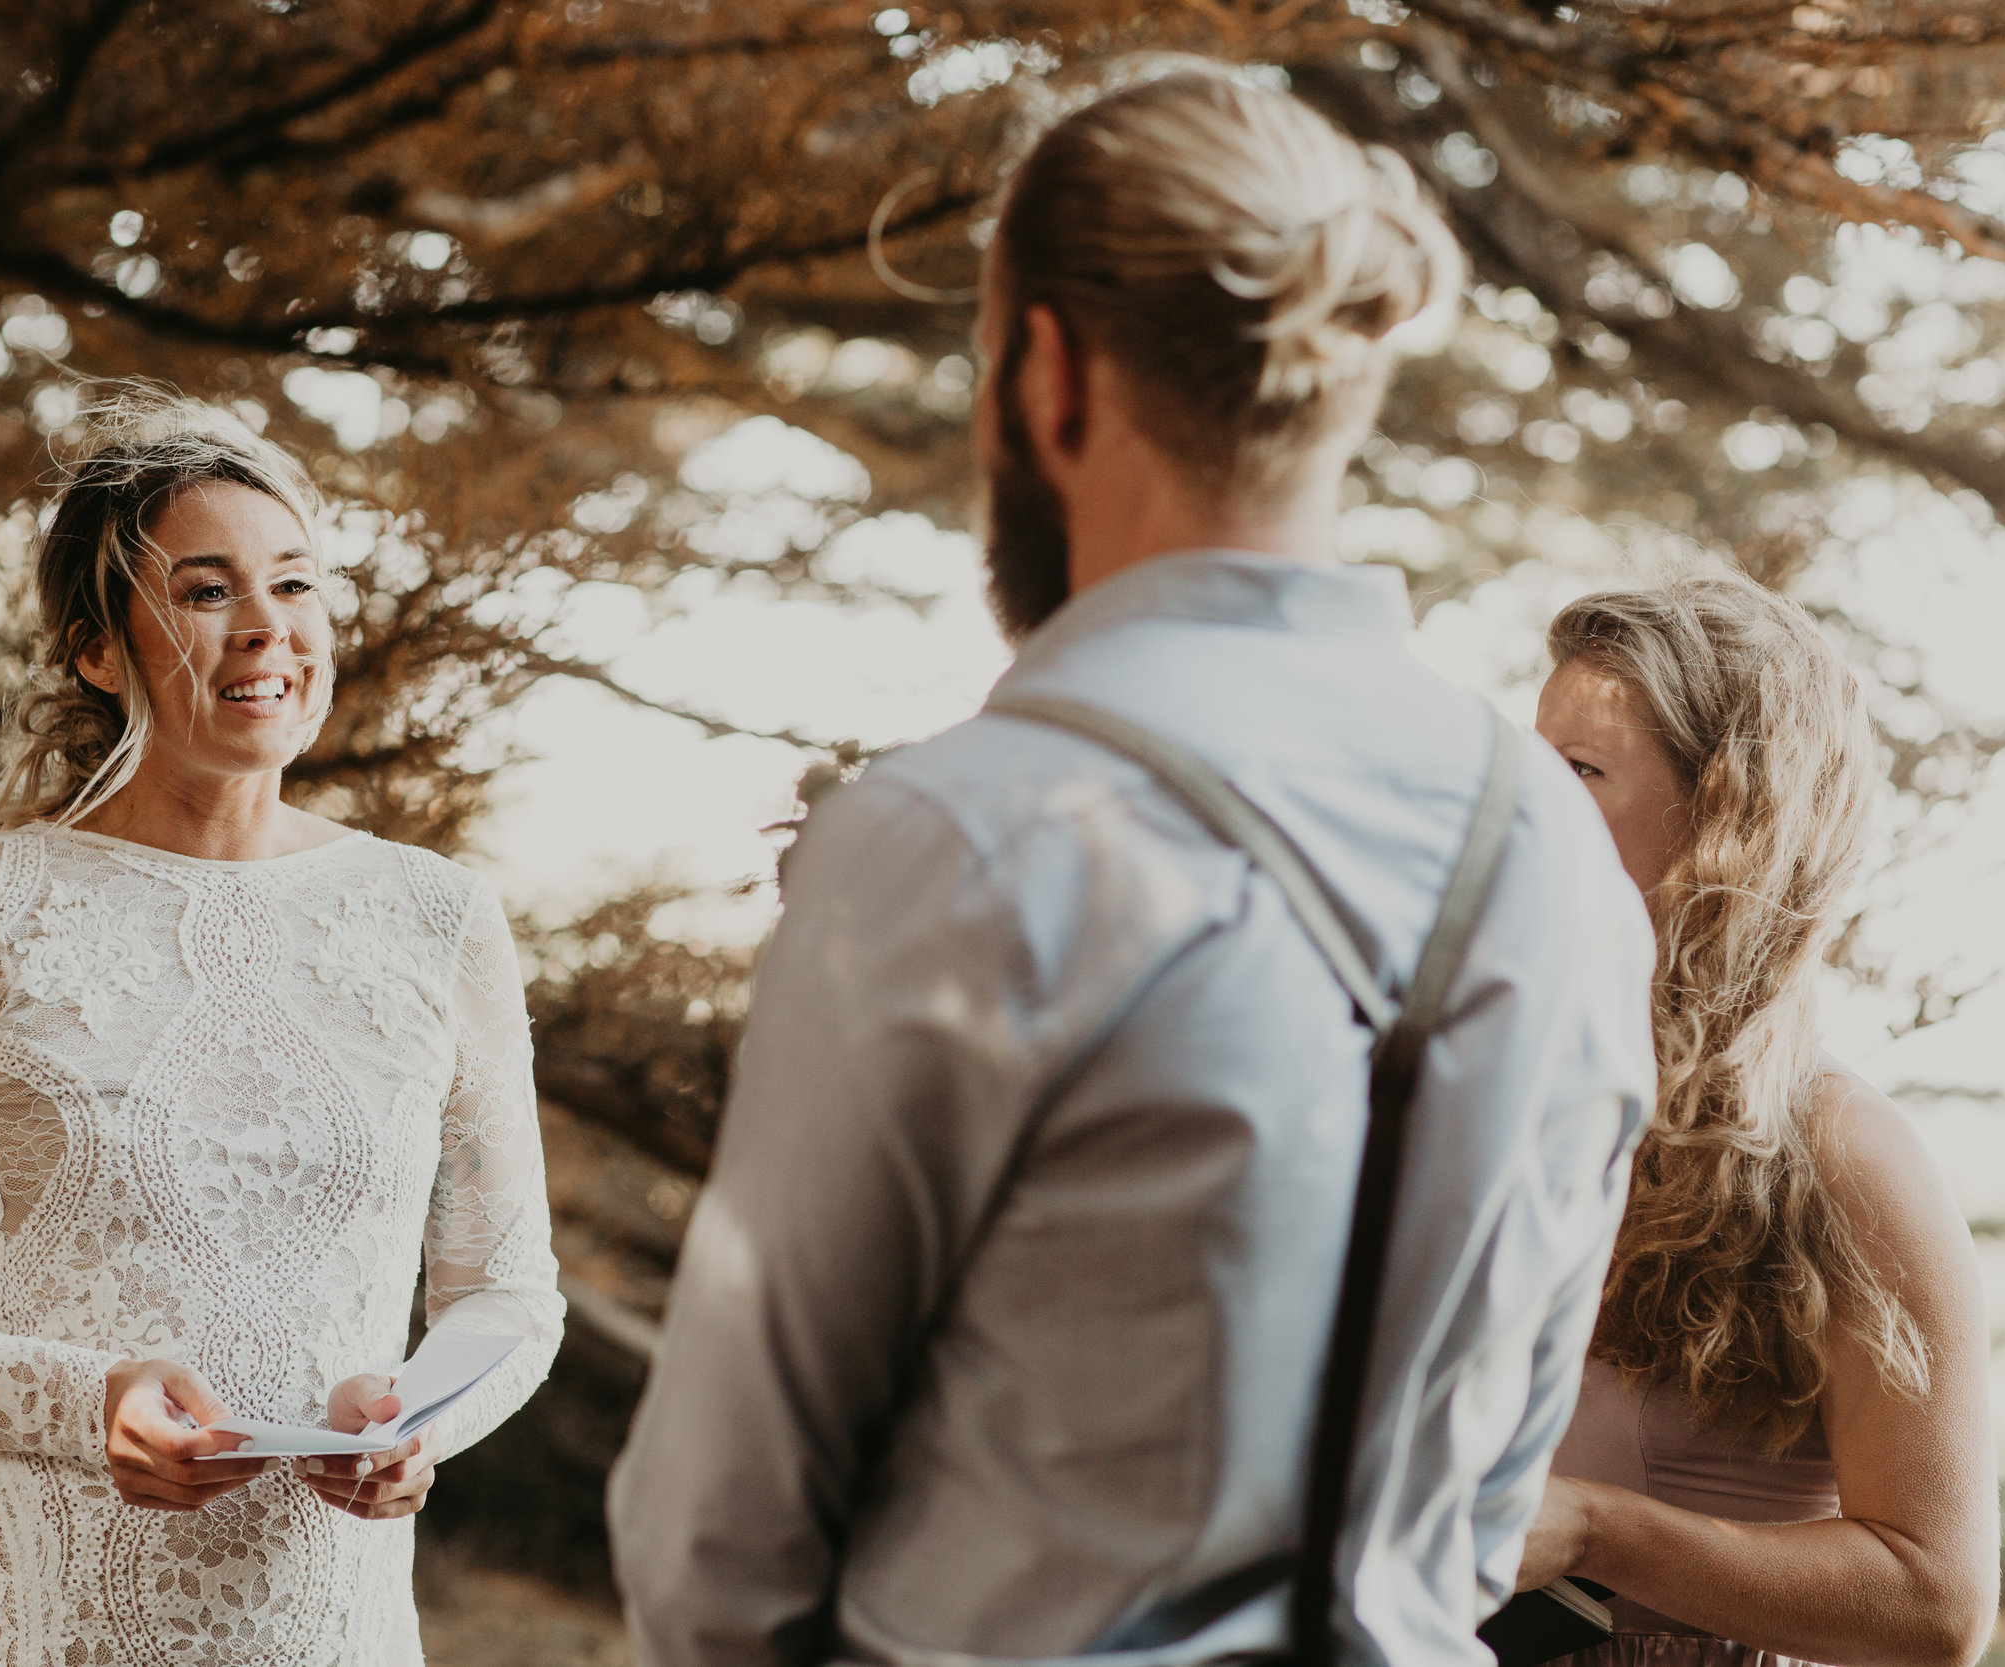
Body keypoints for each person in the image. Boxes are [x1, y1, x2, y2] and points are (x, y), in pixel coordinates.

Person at [607, 62, 1658, 1667]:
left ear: (1045, 371)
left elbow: (718, 1539)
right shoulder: (1563, 860)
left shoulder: (958, 837)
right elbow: (1493, 1495)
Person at [0, 389, 562, 1665]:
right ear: (95, 648)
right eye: (205, 592)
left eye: (296, 585)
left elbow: (509, 1294)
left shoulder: (437, 913)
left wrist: (413, 1420)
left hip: (330, 1625)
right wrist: (90, 1403)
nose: (268, 627)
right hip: (38, 1621)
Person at [1520, 574, 1997, 1667]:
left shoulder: (1845, 1154)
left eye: (1580, 771)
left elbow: (1937, 1606)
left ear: (1728, 817)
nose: (1523, 807)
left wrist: (1594, 1529)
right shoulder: (1515, 1099)